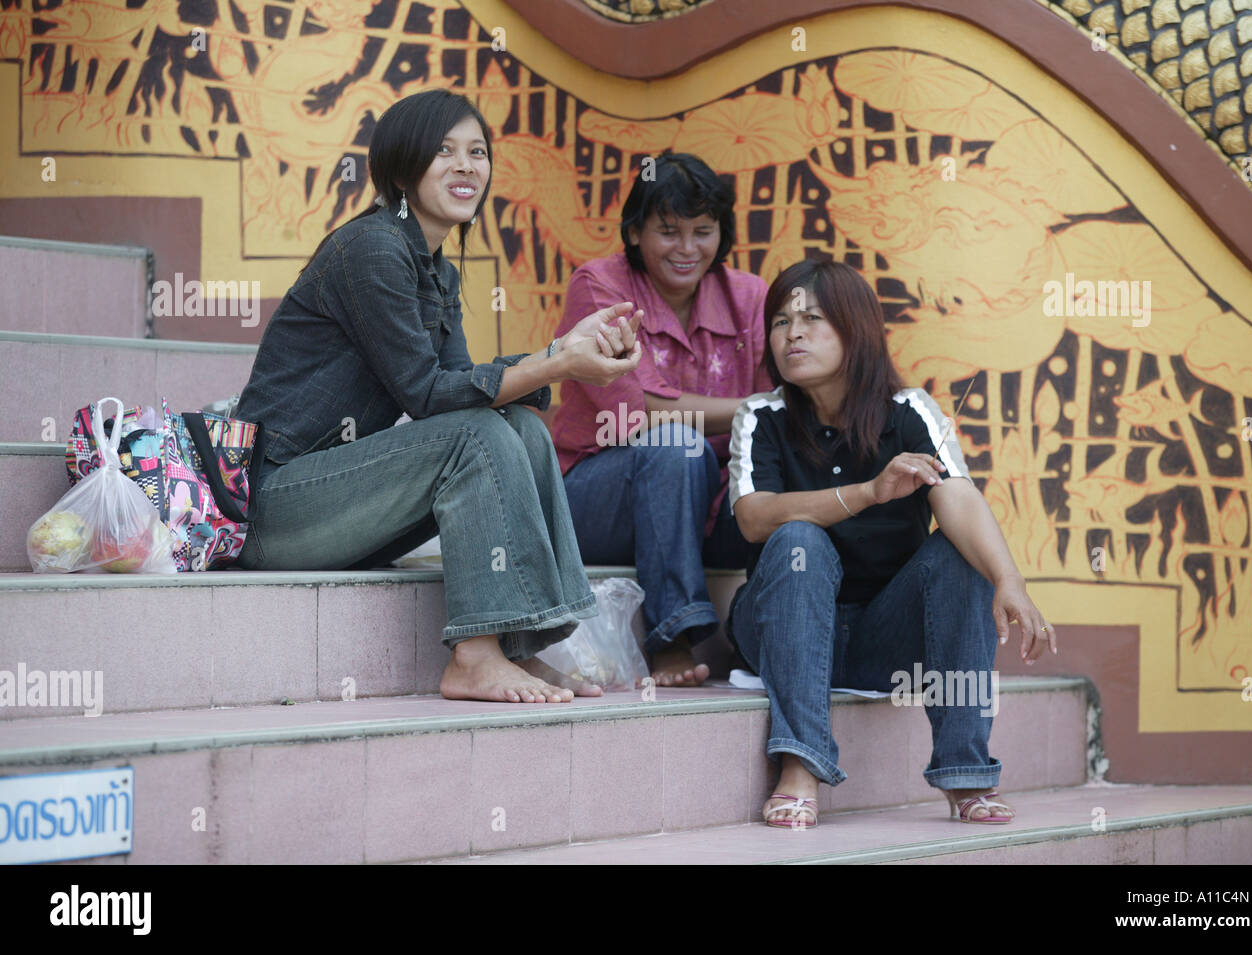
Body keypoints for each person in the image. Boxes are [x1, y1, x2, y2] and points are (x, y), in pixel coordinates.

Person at [235, 89, 645, 704]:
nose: (466, 166)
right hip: (275, 506)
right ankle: (474, 657)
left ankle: (520, 644)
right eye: (444, 151)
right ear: (403, 167)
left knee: (519, 425)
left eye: (477, 152)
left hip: (343, 509)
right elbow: (430, 398)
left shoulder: (435, 269)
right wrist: (558, 362)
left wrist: (563, 351)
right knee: (476, 434)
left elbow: (465, 390)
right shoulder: (370, 248)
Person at [727, 259, 1058, 828]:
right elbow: (755, 519)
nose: (793, 334)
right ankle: (799, 767)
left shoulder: (908, 411)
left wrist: (1010, 581)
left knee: (959, 553)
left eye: (812, 319)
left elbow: (955, 493)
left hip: (886, 641)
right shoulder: (762, 416)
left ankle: (967, 776)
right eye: (780, 322)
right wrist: (868, 492)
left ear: (855, 331)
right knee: (797, 539)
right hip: (784, 634)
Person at [550, 152, 770, 686]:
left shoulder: (750, 296)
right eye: (668, 232)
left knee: (785, 483)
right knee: (677, 445)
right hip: (596, 498)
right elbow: (632, 412)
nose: (688, 249)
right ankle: (671, 635)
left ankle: (768, 637)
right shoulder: (598, 285)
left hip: (709, 501)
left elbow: (778, 418)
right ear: (634, 231)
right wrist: (749, 411)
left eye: (703, 231)